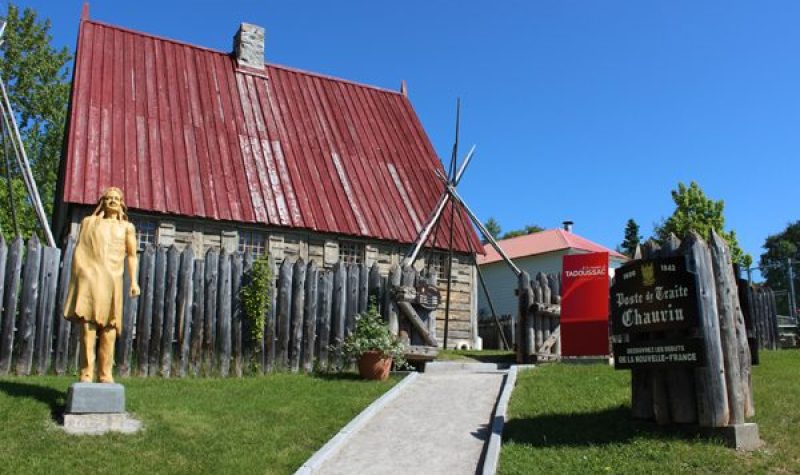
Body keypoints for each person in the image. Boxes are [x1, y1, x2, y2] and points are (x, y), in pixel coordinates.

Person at [64, 187, 140, 383]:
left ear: (122, 203)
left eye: (116, 198)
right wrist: (83, 274)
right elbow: (79, 252)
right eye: (109, 198)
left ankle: (105, 374)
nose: (113, 201)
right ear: (102, 202)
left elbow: (131, 256)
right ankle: (86, 373)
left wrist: (133, 281)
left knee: (110, 329)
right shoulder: (89, 223)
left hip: (113, 281)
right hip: (90, 279)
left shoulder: (127, 228)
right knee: (87, 327)